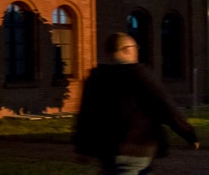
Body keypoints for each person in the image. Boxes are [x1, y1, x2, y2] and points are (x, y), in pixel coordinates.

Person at [74, 32, 199, 174]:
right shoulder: (139, 75)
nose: (137, 51)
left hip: (107, 149)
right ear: (127, 49)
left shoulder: (96, 78)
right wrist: (188, 134)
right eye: (135, 47)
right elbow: (164, 105)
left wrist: (82, 148)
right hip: (136, 148)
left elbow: (86, 115)